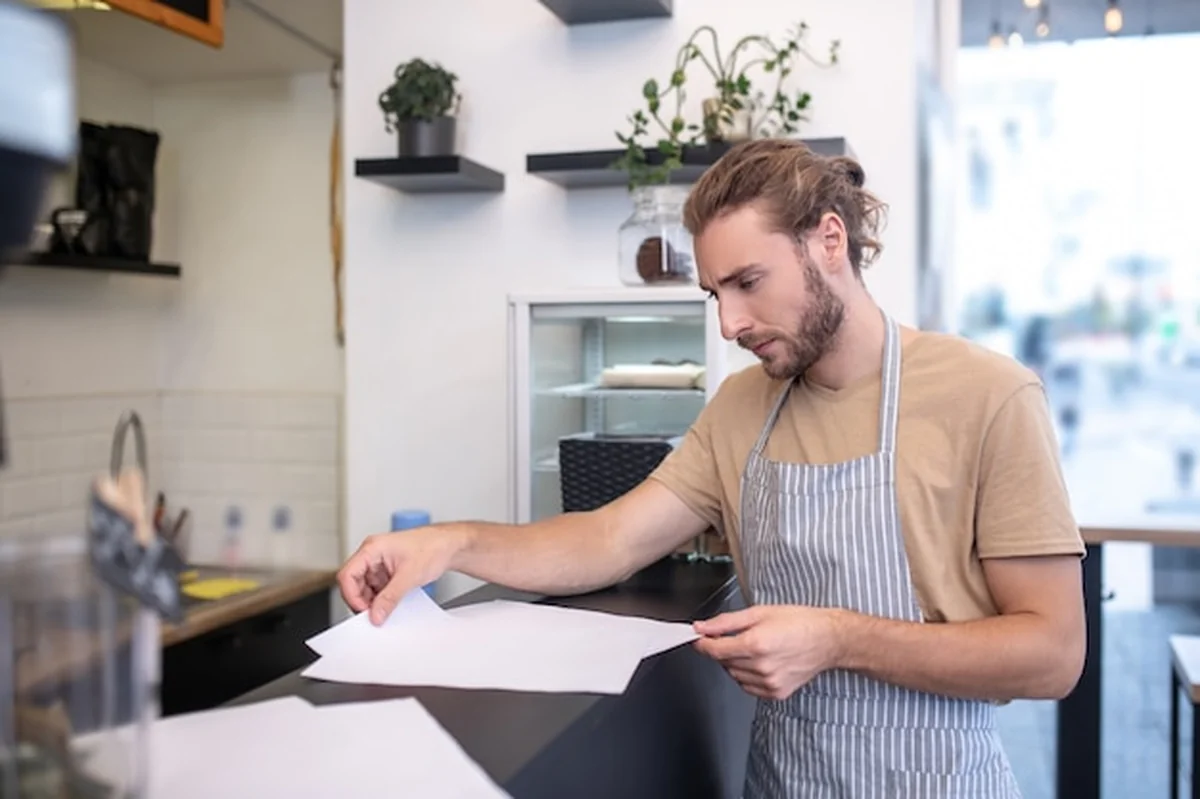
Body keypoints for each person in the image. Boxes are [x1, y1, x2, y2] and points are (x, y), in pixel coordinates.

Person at [337, 138, 1086, 798]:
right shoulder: (741, 408)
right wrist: (450, 542)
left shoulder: (988, 395)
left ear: (830, 240)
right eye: (714, 293)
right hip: (782, 780)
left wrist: (838, 638)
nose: (728, 324)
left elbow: (1052, 654)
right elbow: (607, 539)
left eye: (748, 282)